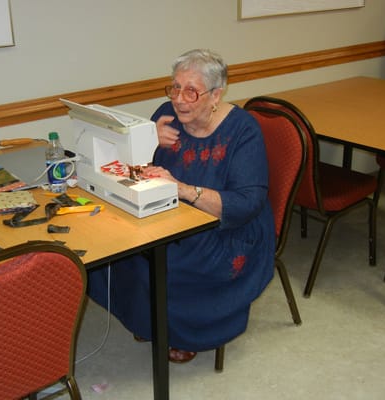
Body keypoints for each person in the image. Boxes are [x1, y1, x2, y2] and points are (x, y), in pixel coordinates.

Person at [87, 49, 275, 363]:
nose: (179, 99)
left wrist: (184, 190)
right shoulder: (166, 113)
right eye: (174, 87)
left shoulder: (243, 131)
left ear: (216, 94)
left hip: (227, 230)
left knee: (169, 262)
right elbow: (136, 170)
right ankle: (148, 319)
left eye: (191, 91)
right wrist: (146, 140)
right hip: (171, 215)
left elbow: (247, 204)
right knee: (118, 247)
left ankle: (184, 332)